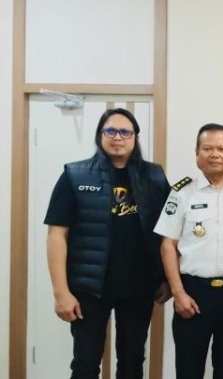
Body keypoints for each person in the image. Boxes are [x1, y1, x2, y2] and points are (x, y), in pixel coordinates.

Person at [45, 108, 171, 378]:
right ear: (100, 135)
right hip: (89, 289)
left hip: (139, 287)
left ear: (135, 137)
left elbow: (168, 234)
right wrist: (61, 292)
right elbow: (56, 235)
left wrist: (166, 279)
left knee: (132, 363)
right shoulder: (75, 175)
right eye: (110, 131)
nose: (118, 137)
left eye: (125, 132)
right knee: (86, 364)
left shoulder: (155, 177)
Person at [154, 123, 223, 379]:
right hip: (193, 292)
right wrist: (178, 293)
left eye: (221, 149)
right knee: (188, 370)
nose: (215, 154)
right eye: (208, 148)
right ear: (197, 153)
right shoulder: (182, 193)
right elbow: (167, 244)